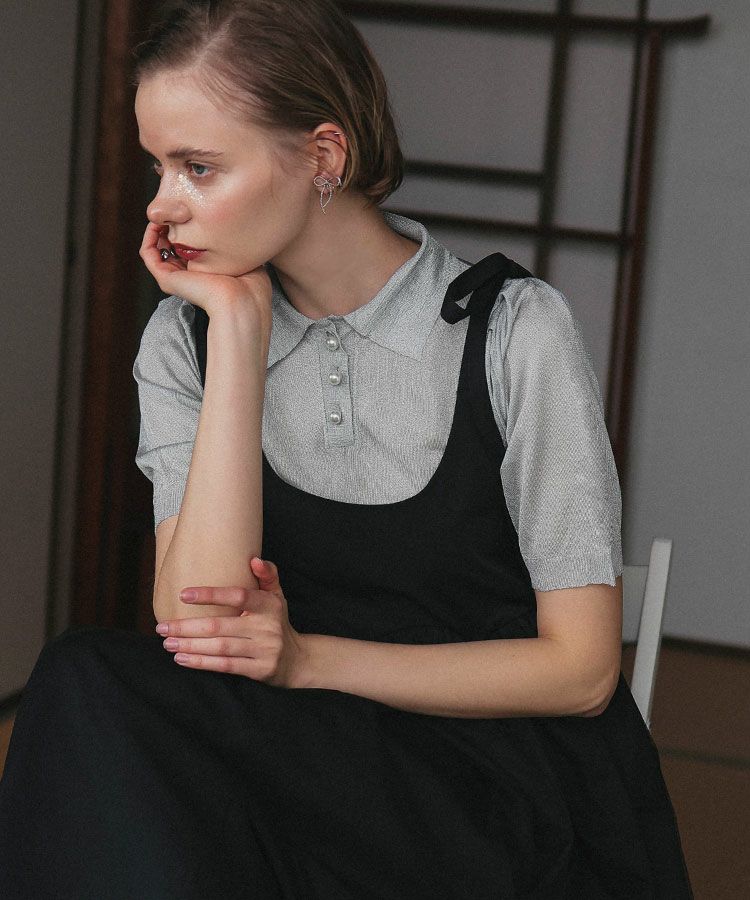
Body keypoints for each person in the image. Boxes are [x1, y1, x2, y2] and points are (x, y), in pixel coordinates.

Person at [0, 1, 694, 897]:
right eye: (158, 167)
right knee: (86, 679)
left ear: (324, 156)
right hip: (309, 765)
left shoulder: (514, 332)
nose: (161, 206)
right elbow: (199, 624)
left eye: (198, 168)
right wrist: (239, 331)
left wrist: (307, 660)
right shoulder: (188, 338)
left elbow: (585, 672)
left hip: (497, 788)